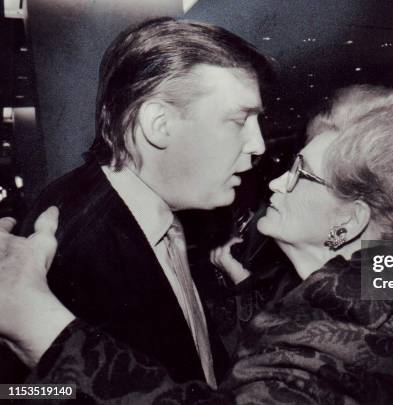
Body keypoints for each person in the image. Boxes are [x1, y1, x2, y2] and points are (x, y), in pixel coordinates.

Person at [0, 85, 393, 404]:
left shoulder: (365, 316)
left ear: (348, 222)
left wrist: (39, 322)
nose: (275, 183)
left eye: (301, 175)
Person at [11, 17, 273, 385]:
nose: (258, 145)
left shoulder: (157, 210)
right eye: (238, 120)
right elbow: (22, 393)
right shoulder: (76, 242)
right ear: (158, 124)